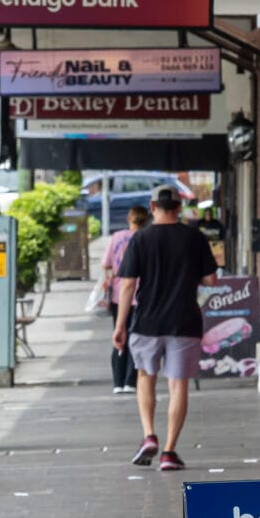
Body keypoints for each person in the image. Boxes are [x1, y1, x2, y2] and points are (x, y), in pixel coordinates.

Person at [113, 185, 218, 471]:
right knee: (178, 384)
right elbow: (211, 280)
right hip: (185, 321)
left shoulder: (140, 238)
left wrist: (120, 325)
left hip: (146, 322)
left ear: (152, 207)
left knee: (145, 377)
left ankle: (149, 435)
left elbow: (127, 285)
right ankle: (169, 452)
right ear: (179, 207)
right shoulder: (194, 237)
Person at [100, 204, 150, 393]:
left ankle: (118, 382)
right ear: (146, 220)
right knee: (136, 337)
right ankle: (131, 380)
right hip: (142, 294)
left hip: (118, 295)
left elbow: (106, 264)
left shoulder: (117, 237)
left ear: (129, 218)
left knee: (119, 335)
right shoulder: (146, 238)